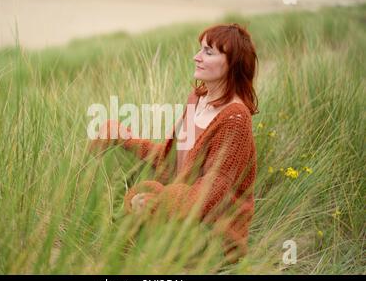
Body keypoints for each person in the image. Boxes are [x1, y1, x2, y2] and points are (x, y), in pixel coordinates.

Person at [90, 23, 259, 262]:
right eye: (200, 49)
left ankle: (138, 237)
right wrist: (124, 137)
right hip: (179, 206)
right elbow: (170, 160)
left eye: (208, 52)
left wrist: (159, 204)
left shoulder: (235, 119)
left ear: (232, 63)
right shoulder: (197, 99)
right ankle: (120, 226)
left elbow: (213, 189)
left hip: (211, 228)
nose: (196, 57)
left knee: (150, 241)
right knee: (115, 152)